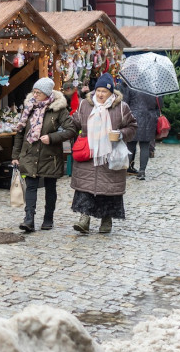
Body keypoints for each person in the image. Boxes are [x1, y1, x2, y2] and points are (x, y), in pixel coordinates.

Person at [65, 73, 137, 235]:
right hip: (88, 153)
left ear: (112, 92)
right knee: (86, 187)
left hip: (110, 155)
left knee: (108, 189)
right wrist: (62, 126)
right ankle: (84, 219)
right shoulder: (85, 105)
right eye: (98, 90)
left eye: (104, 91)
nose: (100, 94)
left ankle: (106, 219)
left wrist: (120, 134)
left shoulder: (121, 107)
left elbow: (132, 127)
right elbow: (75, 122)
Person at [10, 78, 73, 232]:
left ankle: (48, 218)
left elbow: (71, 129)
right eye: (34, 91)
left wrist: (52, 138)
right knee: (31, 186)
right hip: (30, 153)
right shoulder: (29, 107)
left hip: (50, 155)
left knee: (50, 188)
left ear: (47, 93)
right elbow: (20, 132)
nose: (35, 94)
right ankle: (29, 219)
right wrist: (15, 155)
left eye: (38, 92)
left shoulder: (59, 109)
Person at [123, 85, 161, 180]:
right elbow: (160, 104)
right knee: (145, 146)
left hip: (133, 117)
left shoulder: (131, 86)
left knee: (131, 145)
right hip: (149, 118)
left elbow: (126, 103)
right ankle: (142, 171)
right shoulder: (154, 88)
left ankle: (127, 168)